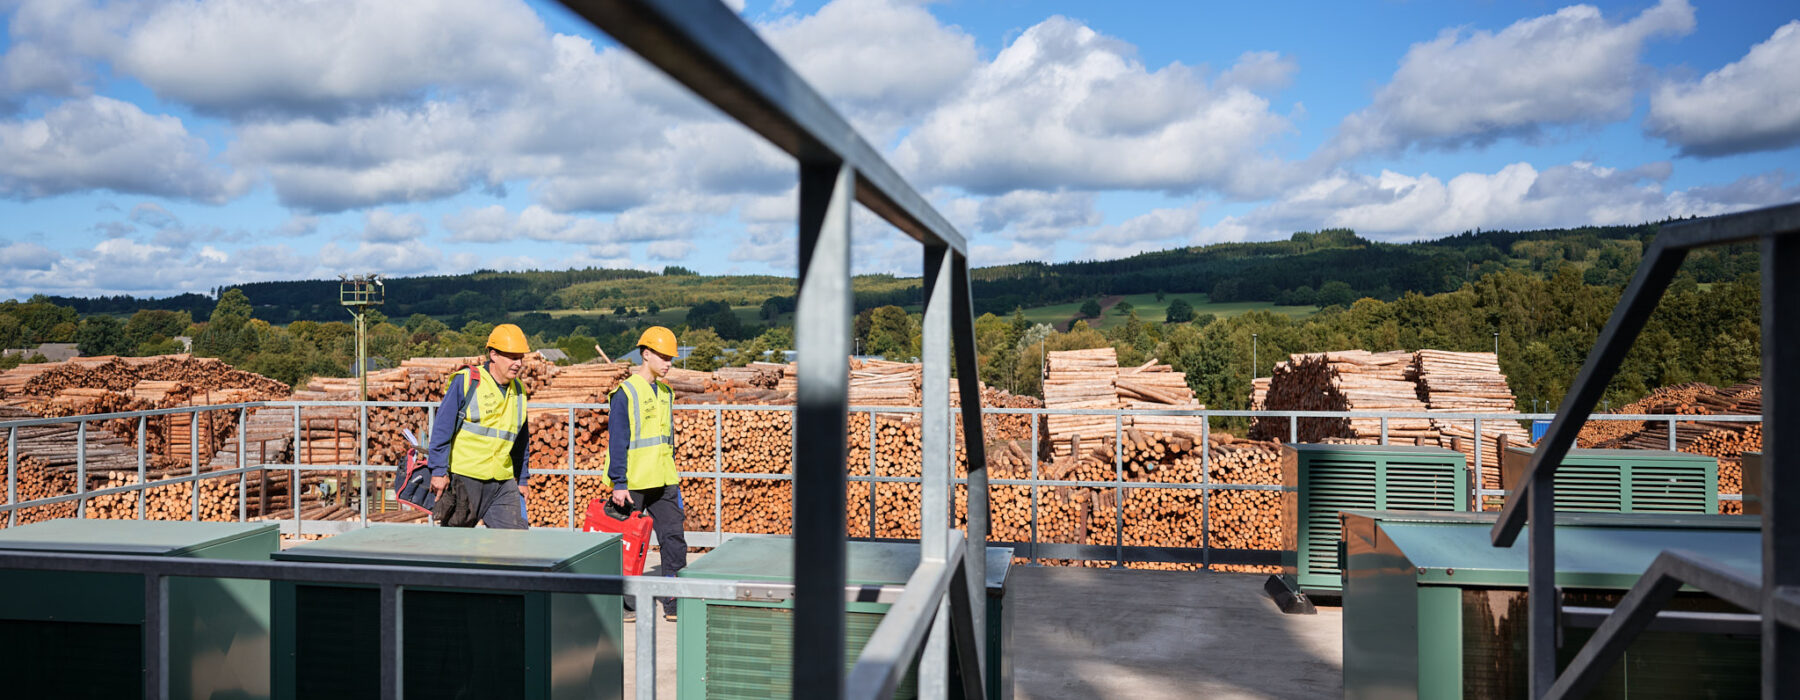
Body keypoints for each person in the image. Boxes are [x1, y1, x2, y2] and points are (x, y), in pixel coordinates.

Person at [605, 326, 685, 621]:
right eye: (663, 357)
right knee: (628, 546)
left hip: (664, 480)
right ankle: (626, 605)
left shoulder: (666, 392)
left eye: (671, 358)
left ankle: (674, 601)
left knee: (674, 538)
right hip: (633, 483)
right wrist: (619, 482)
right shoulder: (625, 392)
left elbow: (668, 438)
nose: (668, 363)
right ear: (646, 354)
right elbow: (618, 439)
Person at [427, 323, 532, 529]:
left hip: (502, 482)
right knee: (455, 546)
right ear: (493, 355)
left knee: (516, 542)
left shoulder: (519, 390)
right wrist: (438, 471)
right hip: (464, 479)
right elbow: (442, 428)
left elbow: (521, 441)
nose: (518, 363)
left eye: (521, 358)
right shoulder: (467, 381)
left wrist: (522, 478)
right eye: (512, 357)